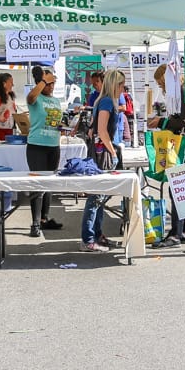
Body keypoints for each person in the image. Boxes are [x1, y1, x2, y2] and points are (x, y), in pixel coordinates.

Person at [79, 69, 126, 252]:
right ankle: (88, 238)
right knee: (96, 197)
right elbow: (101, 130)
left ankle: (96, 235)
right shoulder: (106, 101)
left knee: (99, 197)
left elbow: (95, 130)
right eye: (121, 84)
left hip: (101, 152)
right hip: (104, 154)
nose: (123, 88)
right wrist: (112, 151)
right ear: (115, 84)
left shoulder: (104, 100)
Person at [153, 77, 185, 249]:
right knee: (181, 187)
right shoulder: (181, 90)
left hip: (184, 141)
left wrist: (161, 122)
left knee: (177, 187)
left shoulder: (182, 90)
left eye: (160, 83)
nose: (160, 86)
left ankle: (176, 234)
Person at [26, 65, 65, 237]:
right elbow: (31, 97)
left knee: (49, 183)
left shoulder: (55, 101)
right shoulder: (36, 98)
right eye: (50, 84)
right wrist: (43, 80)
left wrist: (63, 126)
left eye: (53, 84)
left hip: (53, 145)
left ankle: (44, 219)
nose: (52, 87)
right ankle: (34, 222)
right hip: (37, 146)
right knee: (37, 184)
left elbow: (55, 121)